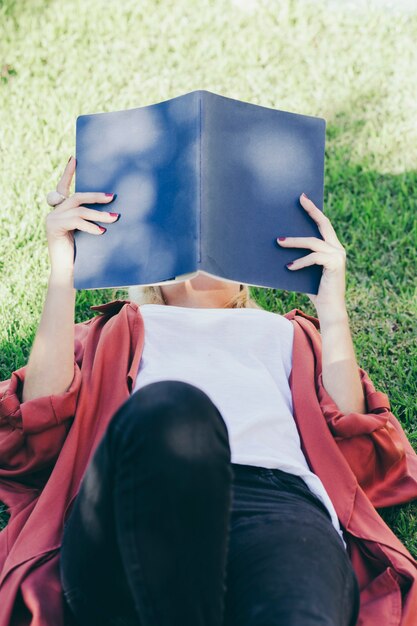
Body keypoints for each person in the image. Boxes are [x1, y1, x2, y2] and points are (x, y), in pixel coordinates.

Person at [1, 156, 417, 626]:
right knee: (177, 411)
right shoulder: (117, 328)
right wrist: (64, 272)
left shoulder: (287, 334)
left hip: (278, 508)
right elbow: (36, 420)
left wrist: (332, 306)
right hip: (140, 503)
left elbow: (357, 444)